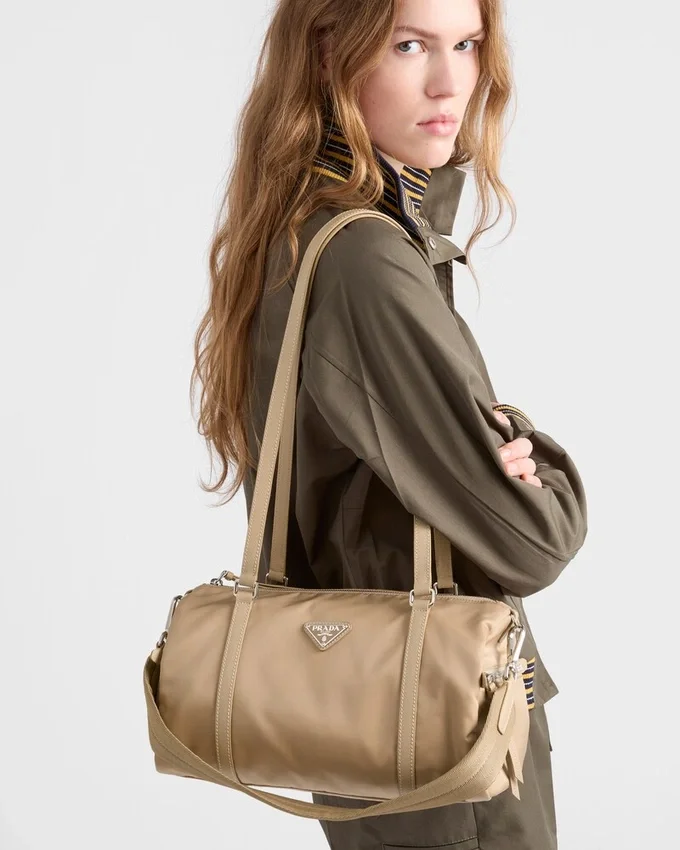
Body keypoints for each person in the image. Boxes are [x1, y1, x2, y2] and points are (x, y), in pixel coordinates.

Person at [191, 0, 588, 847]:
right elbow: (533, 541)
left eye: (467, 44)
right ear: (329, 53)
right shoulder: (365, 261)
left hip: (373, 723)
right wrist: (531, 453)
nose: (451, 83)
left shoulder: (303, 232)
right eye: (410, 46)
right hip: (445, 740)